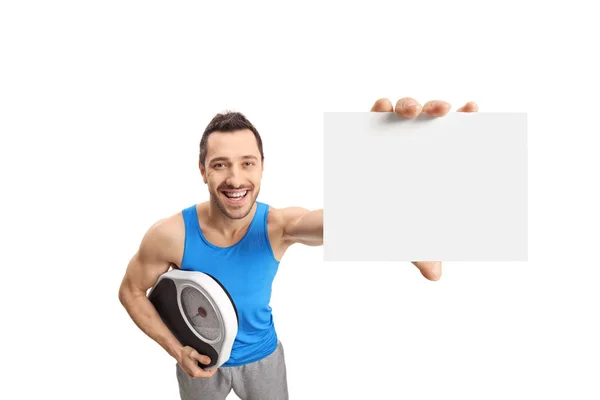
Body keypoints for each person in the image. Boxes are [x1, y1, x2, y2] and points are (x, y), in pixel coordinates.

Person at [117, 96, 479, 400]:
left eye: (247, 164)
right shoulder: (171, 234)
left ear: (262, 168)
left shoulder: (277, 226)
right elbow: (131, 290)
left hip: (263, 356)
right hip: (198, 358)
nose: (235, 179)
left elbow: (335, 221)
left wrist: (389, 191)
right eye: (220, 165)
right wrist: (176, 349)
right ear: (203, 171)